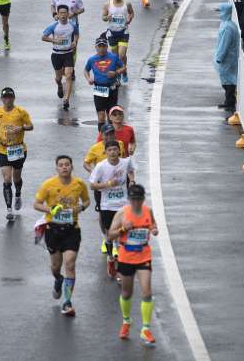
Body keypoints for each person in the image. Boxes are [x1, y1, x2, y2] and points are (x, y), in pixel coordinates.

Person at [33, 155, 90, 317]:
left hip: (72, 229)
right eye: (61, 165)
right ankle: (58, 279)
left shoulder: (79, 184)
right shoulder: (48, 185)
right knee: (55, 267)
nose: (64, 167)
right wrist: (50, 210)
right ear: (56, 168)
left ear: (72, 167)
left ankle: (67, 302)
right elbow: (36, 204)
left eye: (67, 164)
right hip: (53, 230)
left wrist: (81, 208)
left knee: (70, 264)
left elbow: (87, 201)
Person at [108, 184, 158, 345]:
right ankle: (126, 321)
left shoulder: (148, 211)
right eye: (133, 199)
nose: (136, 202)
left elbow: (153, 225)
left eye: (139, 199)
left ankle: (145, 329)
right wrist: (123, 229)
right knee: (126, 293)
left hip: (144, 256)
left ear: (143, 199)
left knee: (147, 292)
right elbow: (110, 235)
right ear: (129, 199)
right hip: (126, 257)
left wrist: (154, 229)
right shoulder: (122, 213)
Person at [89, 141, 136, 279]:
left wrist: (132, 181)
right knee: (109, 236)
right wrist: (107, 184)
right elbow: (92, 185)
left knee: (122, 236)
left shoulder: (126, 162)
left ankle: (121, 270)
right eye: (110, 150)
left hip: (123, 205)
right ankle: (110, 258)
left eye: (115, 149)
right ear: (106, 152)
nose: (113, 152)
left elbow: (131, 170)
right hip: (107, 206)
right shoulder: (101, 166)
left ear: (119, 150)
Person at [0, 87, 33, 221]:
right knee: (7, 179)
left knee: (17, 178)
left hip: (18, 149)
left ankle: (18, 194)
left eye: (10, 97)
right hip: (3, 149)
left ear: (14, 98)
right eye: (5, 97)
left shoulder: (21, 112)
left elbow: (31, 126)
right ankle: (9, 209)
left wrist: (21, 128)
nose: (7, 100)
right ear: (1, 99)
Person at [84, 36, 126, 132]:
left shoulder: (113, 57)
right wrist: (89, 79)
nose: (102, 48)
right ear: (96, 47)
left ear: (107, 47)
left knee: (111, 116)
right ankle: (102, 137)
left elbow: (123, 67)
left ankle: (111, 136)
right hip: (99, 88)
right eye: (99, 46)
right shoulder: (92, 59)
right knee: (101, 116)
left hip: (112, 88)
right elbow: (86, 70)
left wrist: (115, 73)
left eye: (104, 46)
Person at [42, 5, 78, 111]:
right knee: (58, 78)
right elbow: (43, 37)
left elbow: (76, 34)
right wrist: (54, 40)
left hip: (68, 53)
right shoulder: (53, 26)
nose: (63, 15)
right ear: (57, 14)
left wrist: (74, 41)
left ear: (68, 14)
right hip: (56, 54)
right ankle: (59, 86)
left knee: (68, 76)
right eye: (61, 13)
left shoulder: (72, 25)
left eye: (64, 13)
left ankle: (66, 100)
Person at [102, 0, 134, 83]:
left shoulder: (127, 4)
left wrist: (129, 19)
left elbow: (131, 13)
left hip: (123, 32)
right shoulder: (107, 4)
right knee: (115, 57)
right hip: (112, 33)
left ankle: (123, 71)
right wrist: (107, 18)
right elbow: (103, 17)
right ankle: (120, 72)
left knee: (122, 55)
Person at [214, 2, 239, 111]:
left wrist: (219, 57)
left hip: (227, 58)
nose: (219, 13)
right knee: (228, 79)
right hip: (230, 57)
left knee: (228, 80)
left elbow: (224, 44)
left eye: (220, 11)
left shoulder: (227, 27)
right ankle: (229, 100)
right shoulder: (230, 24)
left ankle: (229, 102)